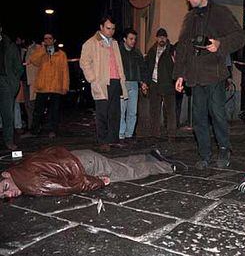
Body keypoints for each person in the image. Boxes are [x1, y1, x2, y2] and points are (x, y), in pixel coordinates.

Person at [174, 0, 245, 169]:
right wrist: (180, 74)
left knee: (217, 115)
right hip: (195, 77)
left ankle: (224, 149)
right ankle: (204, 154)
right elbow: (182, 48)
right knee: (198, 119)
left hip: (214, 74)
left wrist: (220, 44)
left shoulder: (221, 13)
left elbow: (240, 36)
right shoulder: (189, 18)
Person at [0, 146, 173, 199]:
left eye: (5, 186)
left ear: (6, 174)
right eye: (4, 195)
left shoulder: (29, 183)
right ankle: (148, 156)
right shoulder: (23, 165)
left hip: (84, 166)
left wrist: (98, 182)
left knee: (128, 172)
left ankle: (165, 166)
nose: (9, 193)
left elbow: (65, 187)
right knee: (118, 164)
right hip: (79, 157)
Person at [80, 15, 128, 153]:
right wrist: (92, 79)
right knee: (102, 113)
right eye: (108, 28)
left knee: (115, 112)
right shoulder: (91, 43)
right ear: (101, 27)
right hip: (101, 82)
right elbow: (84, 62)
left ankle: (113, 140)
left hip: (115, 81)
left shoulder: (114, 43)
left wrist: (121, 78)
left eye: (113, 29)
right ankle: (103, 140)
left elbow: (118, 62)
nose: (111, 31)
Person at [28, 33, 69, 138]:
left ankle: (53, 130)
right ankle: (34, 130)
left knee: (54, 110)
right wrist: (42, 50)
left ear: (54, 40)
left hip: (56, 86)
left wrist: (65, 86)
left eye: (49, 38)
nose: (47, 40)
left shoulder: (61, 54)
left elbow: (65, 71)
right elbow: (33, 60)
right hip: (43, 86)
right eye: (45, 38)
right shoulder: (41, 53)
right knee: (38, 110)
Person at [146, 28, 176, 140]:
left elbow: (176, 65)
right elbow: (147, 67)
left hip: (168, 84)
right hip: (154, 83)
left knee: (170, 111)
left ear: (166, 38)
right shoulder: (152, 51)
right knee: (154, 110)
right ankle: (155, 134)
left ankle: (171, 134)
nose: (162, 39)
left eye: (163, 37)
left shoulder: (172, 50)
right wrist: (146, 82)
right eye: (160, 37)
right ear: (156, 38)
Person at [118, 28, 148, 140]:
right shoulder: (119, 52)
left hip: (134, 84)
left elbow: (143, 68)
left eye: (135, 39)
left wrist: (143, 82)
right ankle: (121, 134)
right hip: (122, 83)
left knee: (133, 111)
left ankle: (129, 134)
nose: (133, 41)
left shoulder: (137, 53)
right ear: (125, 39)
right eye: (131, 39)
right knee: (121, 111)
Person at [0, 22, 24, 150]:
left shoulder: (10, 45)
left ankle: (8, 140)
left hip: (5, 82)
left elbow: (19, 67)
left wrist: (13, 82)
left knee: (7, 113)